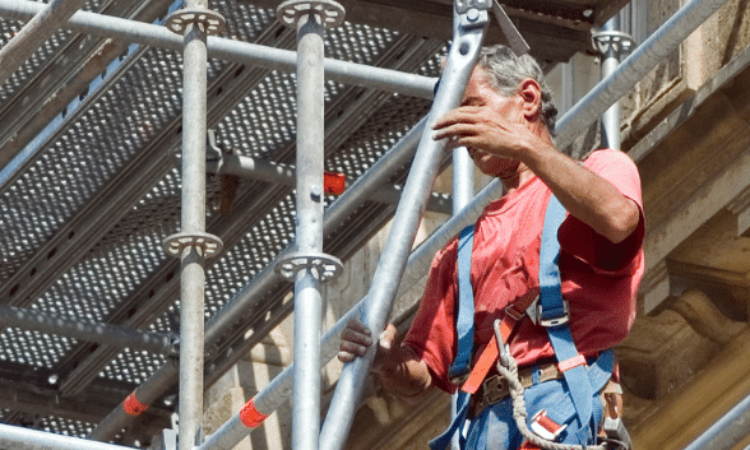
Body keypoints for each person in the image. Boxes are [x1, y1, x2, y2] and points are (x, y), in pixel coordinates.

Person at [338, 44, 645, 450]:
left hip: (562, 403)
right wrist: (384, 361)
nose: (463, 129)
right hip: (487, 426)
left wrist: (526, 146)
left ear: (528, 99)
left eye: (474, 106)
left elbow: (618, 220)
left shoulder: (600, 171)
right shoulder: (460, 251)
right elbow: (423, 374)